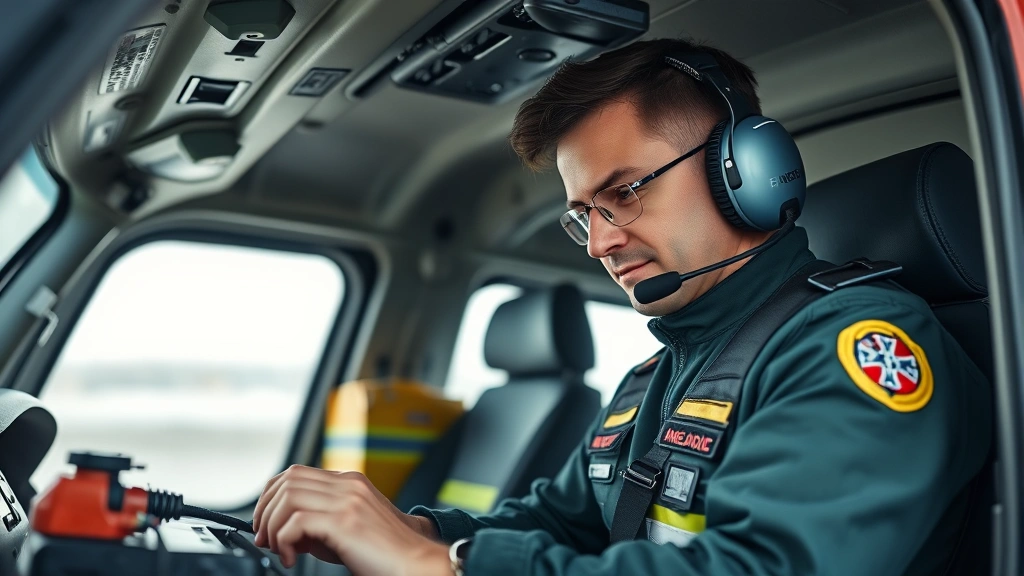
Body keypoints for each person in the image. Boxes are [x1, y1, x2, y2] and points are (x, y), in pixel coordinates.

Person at [251, 38, 992, 575]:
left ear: (747, 174)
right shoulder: (654, 378)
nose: (599, 242)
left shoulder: (857, 346)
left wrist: (444, 566)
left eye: (625, 193)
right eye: (583, 213)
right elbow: (558, 522)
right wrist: (407, 526)